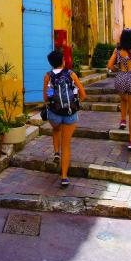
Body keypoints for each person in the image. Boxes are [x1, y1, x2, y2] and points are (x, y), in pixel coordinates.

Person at [43, 50, 86, 187]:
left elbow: (46, 97)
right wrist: (75, 101)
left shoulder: (48, 76)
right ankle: (64, 177)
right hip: (70, 114)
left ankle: (56, 152)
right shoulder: (71, 74)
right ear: (63, 61)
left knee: (56, 129)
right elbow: (83, 94)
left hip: (54, 114)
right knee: (66, 144)